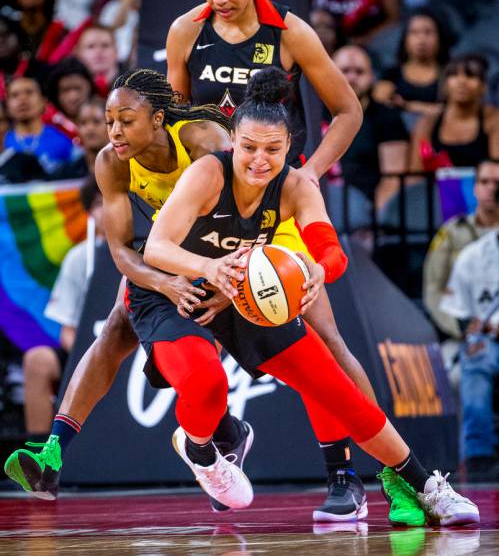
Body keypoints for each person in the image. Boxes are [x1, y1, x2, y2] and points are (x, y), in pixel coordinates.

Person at [130, 66, 479, 525]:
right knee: (206, 384)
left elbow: (331, 251)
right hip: (176, 289)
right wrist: (208, 268)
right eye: (249, 148)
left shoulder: (294, 186)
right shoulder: (207, 174)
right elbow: (156, 247)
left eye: (272, 150)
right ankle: (199, 448)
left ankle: (429, 487)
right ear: (232, 141)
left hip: (242, 291)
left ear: (290, 147)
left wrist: (318, 268)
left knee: (340, 392)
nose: (259, 160)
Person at [166, 0, 378, 522]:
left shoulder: (290, 31)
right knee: (152, 312)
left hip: (279, 205)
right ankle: (220, 436)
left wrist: (307, 175)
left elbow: (347, 111)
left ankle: (349, 475)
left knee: (323, 339)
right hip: (218, 206)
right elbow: (181, 123)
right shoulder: (186, 31)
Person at [3, 68, 251, 509]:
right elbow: (121, 250)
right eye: (108, 119)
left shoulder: (202, 141)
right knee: (120, 329)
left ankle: (233, 436)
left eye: (126, 120)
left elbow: (241, 215)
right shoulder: (111, 161)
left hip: (230, 250)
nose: (113, 131)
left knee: (151, 341)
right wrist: (166, 282)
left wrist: (206, 277)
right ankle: (53, 452)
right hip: (170, 252)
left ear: (157, 119)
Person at [23, 176, 104, 434]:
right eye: (99, 203)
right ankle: (37, 461)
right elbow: (67, 329)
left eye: (114, 201)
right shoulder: (79, 257)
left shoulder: (147, 249)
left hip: (140, 350)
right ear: (89, 211)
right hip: (88, 349)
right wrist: (88, 353)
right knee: (37, 361)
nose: (107, 211)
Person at [440, 226, 499, 482]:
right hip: (489, 340)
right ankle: (479, 458)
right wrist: (470, 327)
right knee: (477, 357)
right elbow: (456, 311)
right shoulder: (474, 255)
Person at [423, 160, 499, 342]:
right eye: (484, 182)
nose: (491, 188)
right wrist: (461, 325)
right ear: (474, 188)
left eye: (497, 183)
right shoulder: (452, 231)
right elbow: (433, 288)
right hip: (461, 337)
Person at [333, 45, 409, 210]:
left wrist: (374, 220)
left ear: (372, 77)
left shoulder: (388, 117)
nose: (352, 78)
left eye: (359, 72)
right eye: (345, 71)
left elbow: (393, 179)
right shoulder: (314, 115)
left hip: (368, 211)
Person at [409, 54, 499, 173]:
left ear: (483, 86)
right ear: (445, 85)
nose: (462, 81)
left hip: (483, 189)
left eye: (470, 75)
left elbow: (496, 171)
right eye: (454, 75)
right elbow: (415, 175)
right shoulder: (428, 123)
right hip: (438, 190)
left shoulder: (493, 119)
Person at [374, 8, 450, 119]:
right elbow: (379, 101)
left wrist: (407, 106)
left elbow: (452, 111)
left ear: (439, 37)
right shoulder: (391, 74)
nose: (421, 39)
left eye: (428, 32)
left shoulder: (450, 73)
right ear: (405, 39)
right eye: (414, 32)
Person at [4, 75, 75, 176]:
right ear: (7, 105)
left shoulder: (62, 140)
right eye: (15, 95)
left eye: (29, 92)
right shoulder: (2, 143)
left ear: (44, 101)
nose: (22, 100)